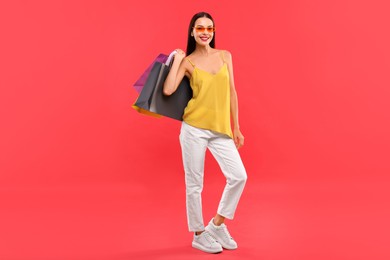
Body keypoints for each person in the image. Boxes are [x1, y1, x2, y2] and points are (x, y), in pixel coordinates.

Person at [163, 12, 247, 254]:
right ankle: (199, 234)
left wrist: (236, 126)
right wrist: (178, 60)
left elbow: (232, 92)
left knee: (239, 176)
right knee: (194, 183)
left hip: (221, 129)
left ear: (213, 32)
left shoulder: (225, 56)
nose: (205, 32)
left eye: (209, 28)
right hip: (194, 128)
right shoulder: (188, 62)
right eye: (200, 28)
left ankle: (217, 225)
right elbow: (168, 90)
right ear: (192, 31)